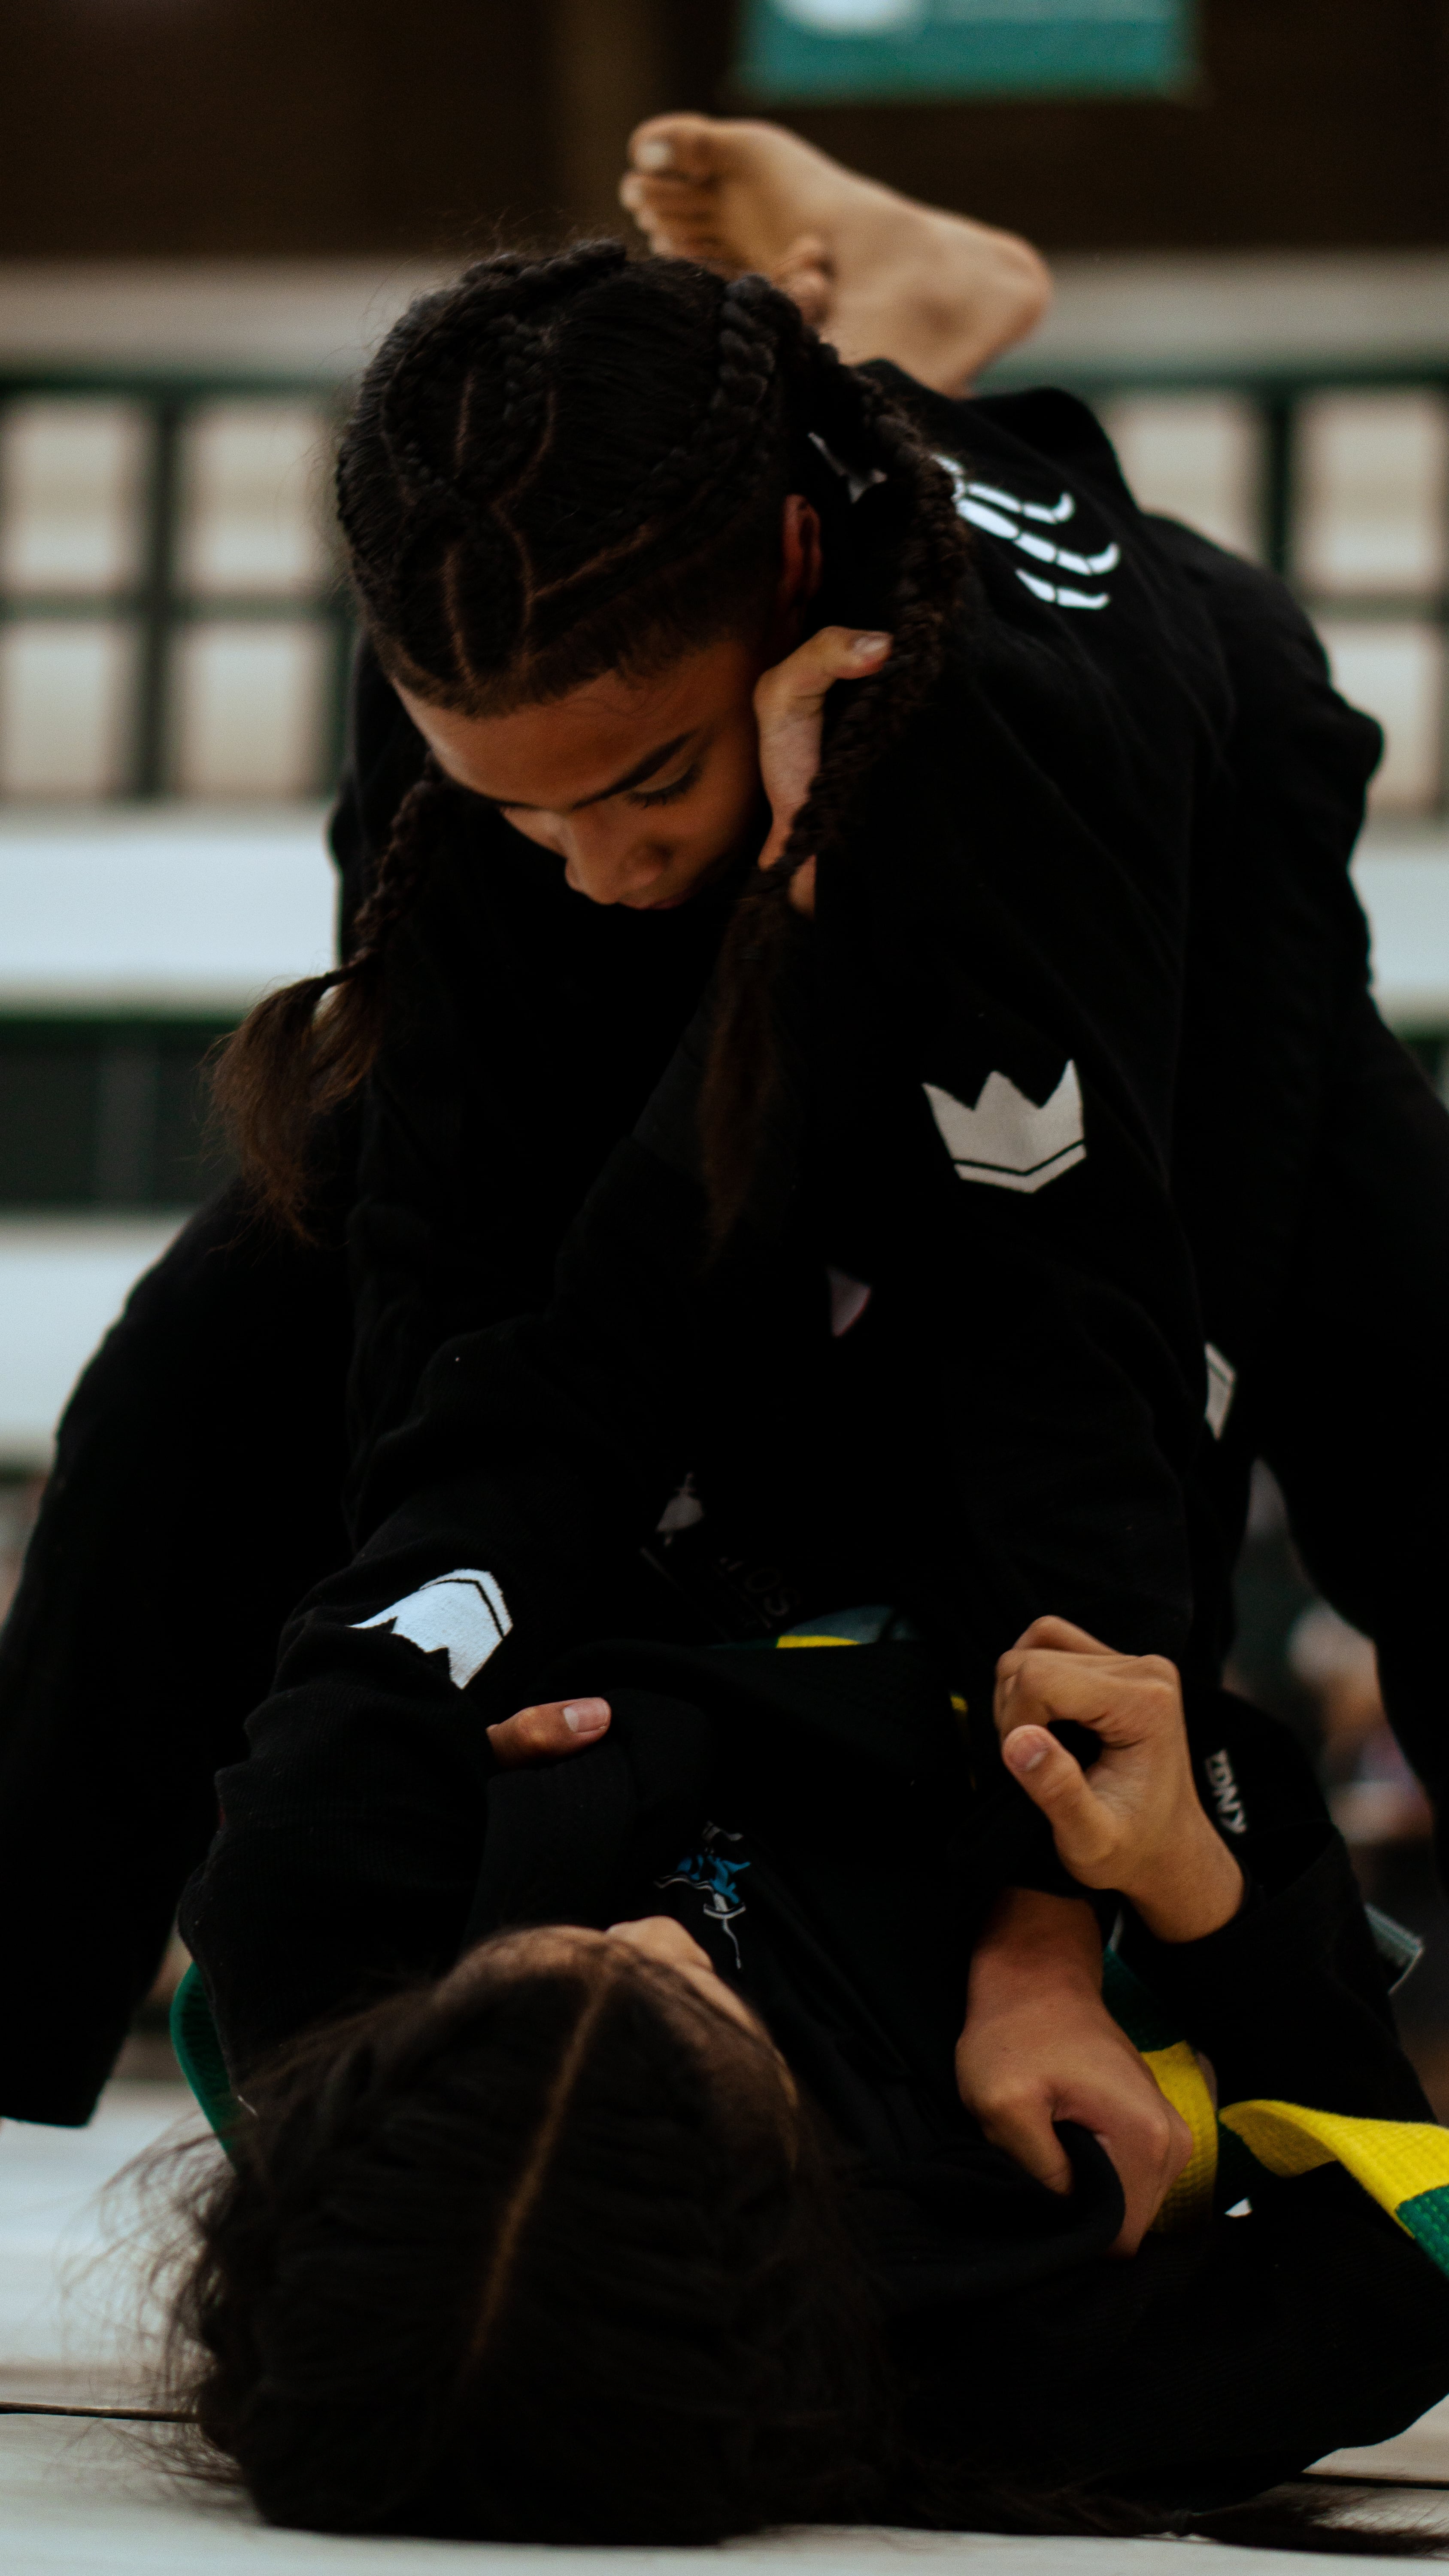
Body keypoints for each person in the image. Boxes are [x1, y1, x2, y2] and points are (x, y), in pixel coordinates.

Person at [1, 114, 1444, 2139]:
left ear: (781, 572)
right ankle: (881, 334)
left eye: (629, 785)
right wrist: (466, 1696)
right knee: (199, 1367)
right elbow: (458, 1260)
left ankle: (911, 330)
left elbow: (1094, 1356)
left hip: (1182, 791)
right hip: (772, 791)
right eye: (517, 805)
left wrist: (1038, 1941)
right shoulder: (484, 645)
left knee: (1385, 1373)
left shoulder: (1008, 738)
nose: (578, 866)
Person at [166, 1621, 1449, 2546]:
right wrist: (1176, 1896)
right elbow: (1411, 2278)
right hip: (1064, 1577)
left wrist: (440, 1760)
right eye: (686, 2013)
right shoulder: (984, 2370)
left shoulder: (331, 2027)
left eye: (526, 1973)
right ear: (789, 2225)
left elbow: (388, 1638)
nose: (645, 1938)